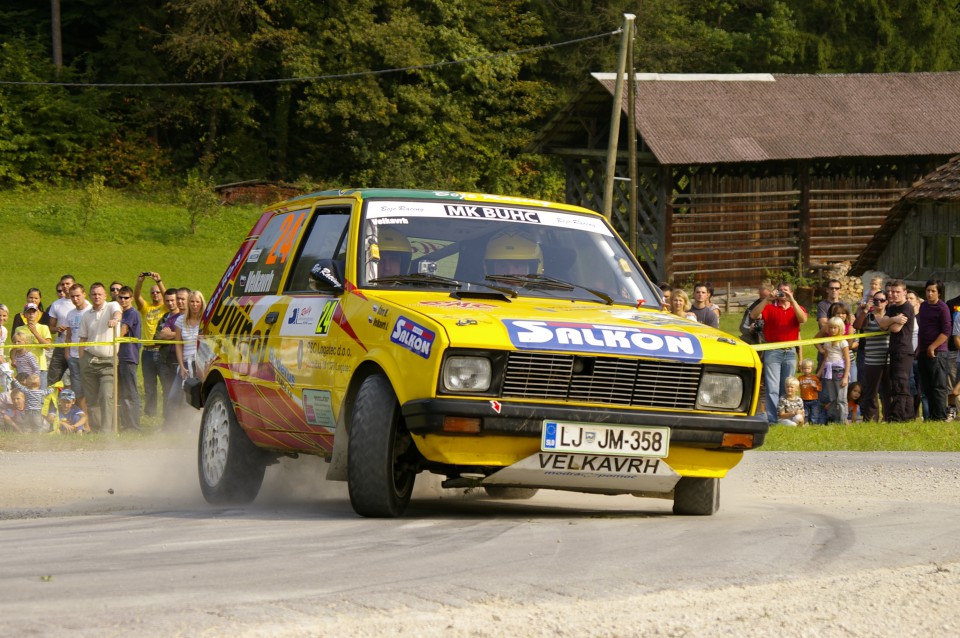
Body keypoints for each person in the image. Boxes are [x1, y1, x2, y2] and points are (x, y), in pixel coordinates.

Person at [750, 281, 808, 425]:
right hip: (772, 351)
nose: (782, 293)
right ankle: (772, 419)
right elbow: (753, 315)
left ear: (791, 293)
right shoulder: (770, 307)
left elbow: (803, 319)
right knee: (772, 387)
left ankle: (785, 416)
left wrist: (792, 301)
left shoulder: (797, 307)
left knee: (788, 385)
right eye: (780, 290)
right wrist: (766, 299)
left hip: (790, 352)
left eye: (786, 290)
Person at [78, 283, 122, 434]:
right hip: (89, 360)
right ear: (90, 296)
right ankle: (97, 431)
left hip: (108, 362)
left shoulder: (111, 306)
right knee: (91, 400)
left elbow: (118, 313)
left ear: (105, 295)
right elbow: (82, 339)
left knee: (105, 395)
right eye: (94, 294)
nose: (97, 297)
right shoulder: (86, 315)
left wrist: (115, 320)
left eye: (99, 294)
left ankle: (107, 431)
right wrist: (81, 361)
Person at [876, 280, 915, 422]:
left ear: (905, 292)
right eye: (892, 292)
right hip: (894, 350)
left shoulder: (907, 307)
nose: (894, 294)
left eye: (897, 292)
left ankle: (898, 416)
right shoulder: (892, 308)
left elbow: (894, 328)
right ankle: (908, 416)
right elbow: (881, 323)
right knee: (898, 384)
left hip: (903, 351)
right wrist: (894, 319)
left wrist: (890, 321)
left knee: (900, 385)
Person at [916, 279, 951, 421]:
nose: (929, 294)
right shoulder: (923, 306)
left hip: (938, 352)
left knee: (938, 386)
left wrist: (933, 346)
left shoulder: (943, 308)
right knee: (927, 386)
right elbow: (922, 330)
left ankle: (940, 416)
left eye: (933, 291)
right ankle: (930, 416)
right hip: (923, 351)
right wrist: (919, 348)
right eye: (928, 290)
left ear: (939, 293)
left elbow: (946, 332)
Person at [134, 271, 167, 418]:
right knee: (149, 386)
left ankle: (167, 413)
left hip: (161, 350)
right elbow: (136, 297)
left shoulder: (165, 307)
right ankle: (150, 414)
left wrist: (159, 281)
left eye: (157, 292)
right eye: (152, 292)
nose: (155, 294)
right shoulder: (146, 308)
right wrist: (140, 281)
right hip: (147, 351)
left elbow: (168, 297)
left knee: (165, 384)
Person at [853, 290, 889, 422]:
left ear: (886, 302)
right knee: (871, 391)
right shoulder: (869, 316)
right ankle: (871, 418)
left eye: (882, 300)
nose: (879, 303)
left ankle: (888, 417)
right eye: (876, 300)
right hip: (871, 359)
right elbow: (856, 326)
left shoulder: (890, 316)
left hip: (888, 358)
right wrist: (865, 310)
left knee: (887, 391)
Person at [170, 290, 205, 422]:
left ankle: (195, 425)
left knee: (198, 396)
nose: (195, 304)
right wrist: (180, 365)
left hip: (201, 363)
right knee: (175, 395)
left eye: (197, 302)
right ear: (188, 303)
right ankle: (175, 424)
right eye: (192, 301)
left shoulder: (205, 320)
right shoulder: (181, 320)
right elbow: (178, 344)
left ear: (201, 303)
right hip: (185, 363)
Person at [154, 287, 182, 426]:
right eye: (168, 301)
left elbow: (186, 335)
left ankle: (179, 423)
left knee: (180, 393)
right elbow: (160, 335)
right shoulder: (168, 317)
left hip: (180, 359)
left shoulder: (184, 317)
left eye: (173, 300)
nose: (171, 303)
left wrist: (171, 334)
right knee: (167, 392)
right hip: (167, 358)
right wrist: (175, 335)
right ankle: (168, 423)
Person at [116, 285, 142, 432]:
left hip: (129, 356)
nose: (123, 300)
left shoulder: (132, 313)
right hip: (119, 356)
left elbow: (122, 331)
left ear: (131, 298)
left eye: (126, 298)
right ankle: (126, 424)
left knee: (131, 392)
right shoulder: (119, 312)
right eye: (121, 297)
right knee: (122, 393)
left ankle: (134, 426)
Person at [64, 283, 92, 411]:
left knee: (91, 388)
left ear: (84, 294)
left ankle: (94, 419)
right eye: (72, 297)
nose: (75, 299)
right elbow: (68, 335)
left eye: (78, 296)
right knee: (78, 390)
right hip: (73, 357)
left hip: (88, 355)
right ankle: (85, 421)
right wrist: (67, 354)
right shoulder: (70, 314)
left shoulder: (92, 310)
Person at [818, 316, 850, 424]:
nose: (832, 330)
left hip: (839, 371)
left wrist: (845, 376)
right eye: (830, 328)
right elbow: (825, 359)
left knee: (841, 397)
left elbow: (847, 361)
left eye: (835, 328)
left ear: (840, 328)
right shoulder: (827, 342)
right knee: (832, 397)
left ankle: (843, 419)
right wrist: (819, 373)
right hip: (828, 371)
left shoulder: (843, 342)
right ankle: (834, 418)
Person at [13, 303, 52, 391]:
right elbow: (14, 348)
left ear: (37, 313)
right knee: (23, 395)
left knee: (39, 395)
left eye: (33, 312)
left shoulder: (43, 328)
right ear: (25, 315)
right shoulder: (19, 329)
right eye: (28, 312)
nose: (31, 315)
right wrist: (13, 359)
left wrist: (35, 332)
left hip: (40, 367)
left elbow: (48, 347)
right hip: (24, 368)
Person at [46, 274, 76, 384]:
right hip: (60, 346)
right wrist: (57, 329)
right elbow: (50, 328)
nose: (65, 286)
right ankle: (50, 401)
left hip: (76, 347)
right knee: (52, 378)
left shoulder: (84, 304)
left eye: (68, 283)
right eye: (63, 284)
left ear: (74, 284)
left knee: (77, 379)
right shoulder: (56, 304)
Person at [797, 358, 823, 425]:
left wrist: (815, 387)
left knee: (815, 413)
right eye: (804, 368)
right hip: (804, 399)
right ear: (802, 369)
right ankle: (806, 423)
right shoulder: (800, 378)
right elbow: (796, 386)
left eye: (808, 368)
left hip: (814, 399)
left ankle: (814, 424)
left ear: (812, 369)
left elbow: (820, 388)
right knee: (805, 413)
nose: (806, 370)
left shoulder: (815, 378)